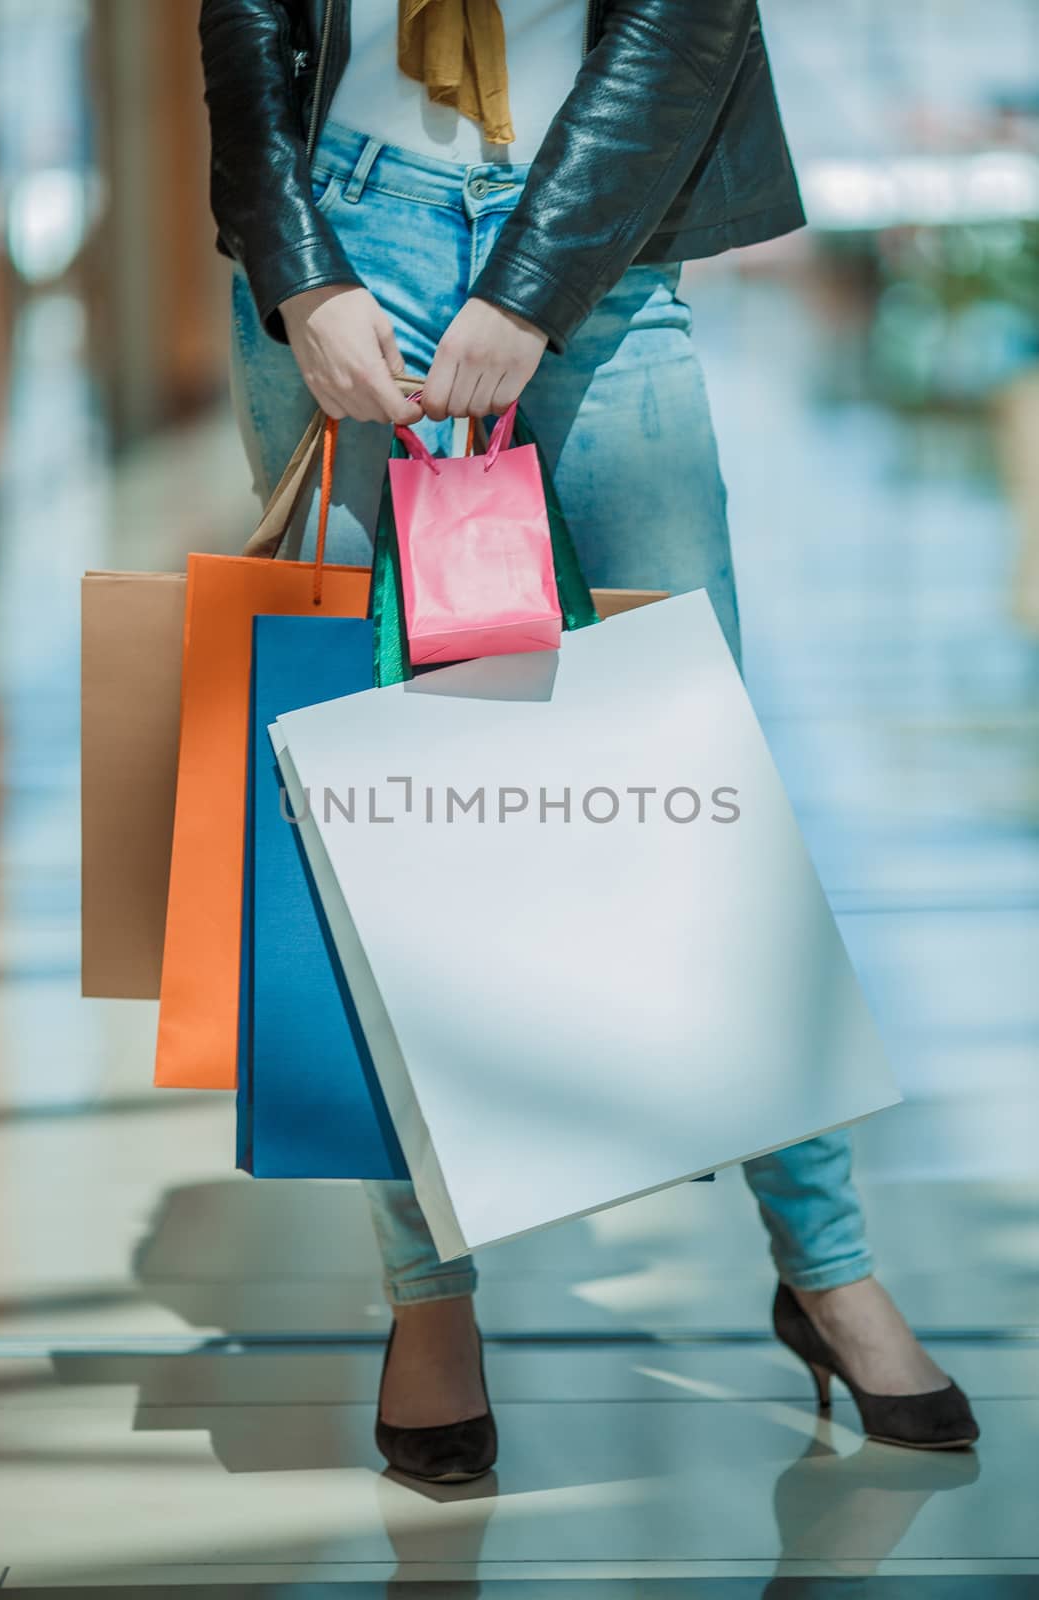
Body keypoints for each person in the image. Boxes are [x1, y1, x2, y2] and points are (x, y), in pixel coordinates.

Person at [201, 0, 979, 1480]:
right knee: (364, 797)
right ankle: (427, 1294)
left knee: (707, 777)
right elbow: (245, 25)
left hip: (602, 251)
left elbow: (682, 22)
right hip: (344, 250)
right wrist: (298, 273)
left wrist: (531, 287)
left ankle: (825, 1259)